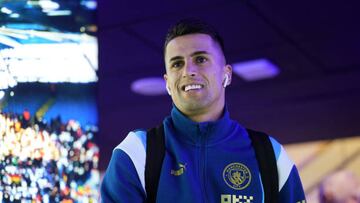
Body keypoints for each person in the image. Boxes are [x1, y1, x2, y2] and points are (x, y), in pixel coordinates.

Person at [101, 18, 306, 203]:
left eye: (200, 59)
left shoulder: (270, 154)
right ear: (168, 84)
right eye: (177, 63)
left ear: (226, 74)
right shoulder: (136, 153)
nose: (188, 71)